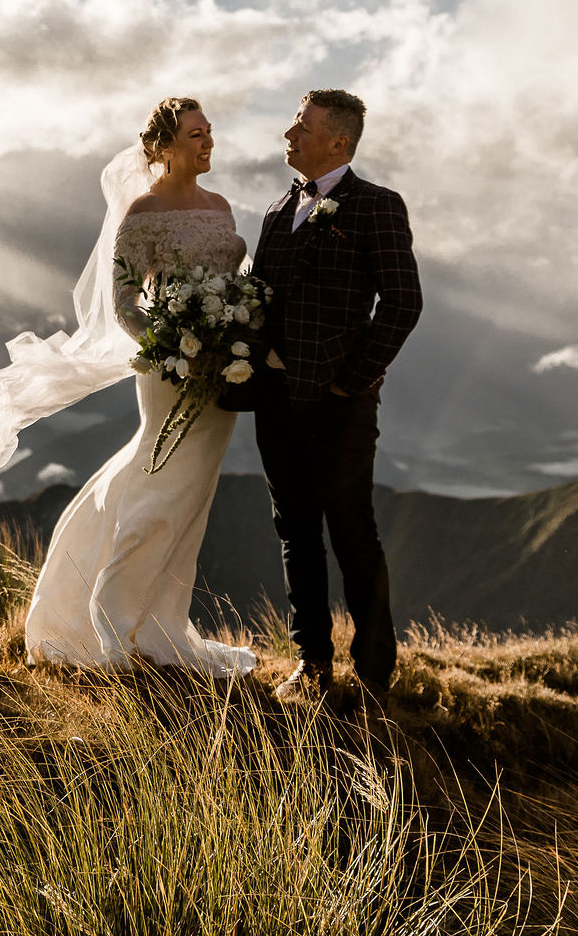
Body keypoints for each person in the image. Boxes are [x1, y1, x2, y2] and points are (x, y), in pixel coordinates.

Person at [0, 98, 257, 676]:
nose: (208, 144)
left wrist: (231, 330)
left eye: (210, 133)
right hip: (168, 371)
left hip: (222, 374)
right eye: (196, 135)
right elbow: (126, 308)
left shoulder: (221, 206)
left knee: (189, 499)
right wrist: (179, 346)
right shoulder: (141, 215)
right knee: (159, 492)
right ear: (165, 147)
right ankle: (112, 620)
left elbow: (233, 282)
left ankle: (160, 622)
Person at [250, 88, 422, 704]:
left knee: (351, 530)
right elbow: (260, 302)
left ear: (338, 142)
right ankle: (311, 662)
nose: (289, 134)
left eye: (301, 126)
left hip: (342, 405)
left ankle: (375, 669)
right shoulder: (276, 212)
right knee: (295, 531)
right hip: (275, 401)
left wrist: (352, 379)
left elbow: (403, 303)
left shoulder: (376, 206)